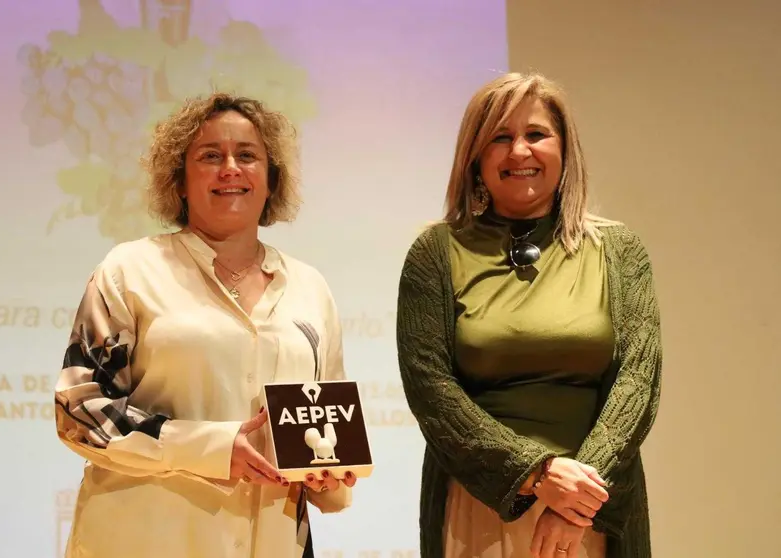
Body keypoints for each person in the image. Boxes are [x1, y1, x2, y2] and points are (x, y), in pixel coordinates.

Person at [53, 92, 356, 558]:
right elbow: (80, 410)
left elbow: (328, 425)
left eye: (247, 156)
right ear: (179, 181)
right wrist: (210, 447)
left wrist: (330, 475)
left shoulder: (310, 288)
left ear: (272, 180)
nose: (230, 169)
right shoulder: (129, 270)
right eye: (211, 156)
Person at [396, 72, 662, 558]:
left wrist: (574, 502)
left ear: (565, 149)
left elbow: (638, 384)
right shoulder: (434, 253)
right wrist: (537, 473)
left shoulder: (620, 250)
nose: (520, 151)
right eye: (500, 137)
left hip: (592, 508)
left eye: (536, 134)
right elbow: (431, 391)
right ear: (475, 157)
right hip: (480, 510)